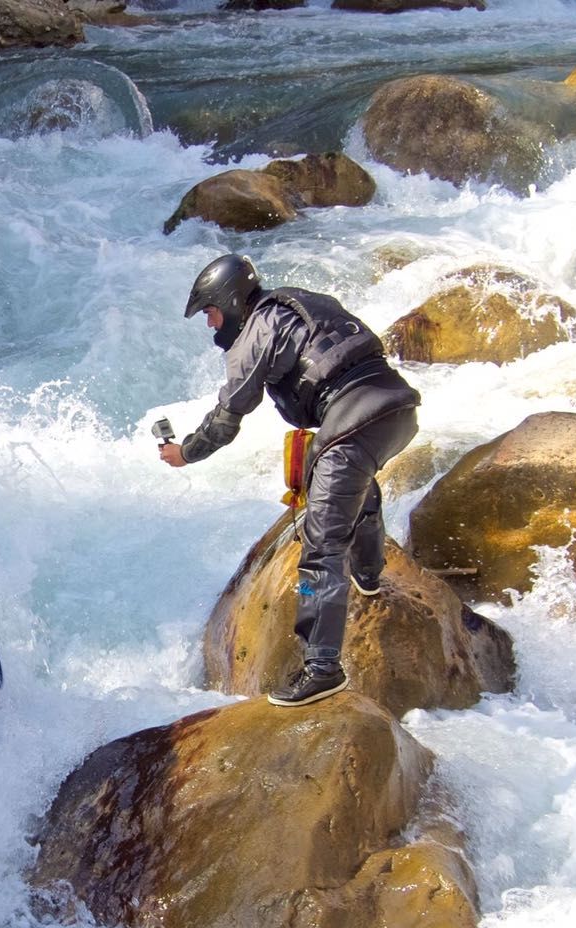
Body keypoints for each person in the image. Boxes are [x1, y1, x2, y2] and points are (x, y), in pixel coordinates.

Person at [162, 253, 420, 707]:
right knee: (352, 485)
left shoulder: (257, 330)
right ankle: (369, 574)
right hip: (397, 409)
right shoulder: (303, 302)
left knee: (320, 546)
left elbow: (228, 416)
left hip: (355, 420)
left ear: (230, 301)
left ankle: (322, 669)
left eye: (210, 311)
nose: (210, 324)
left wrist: (184, 453)